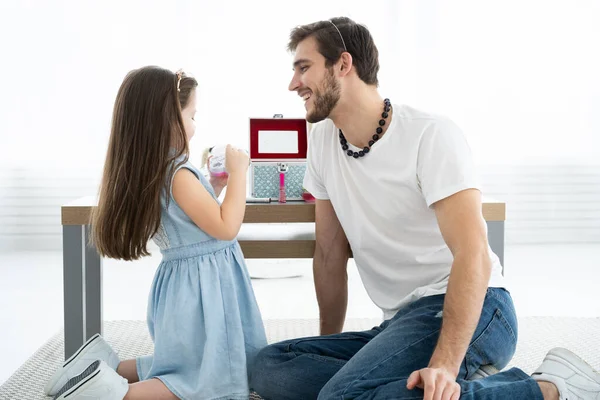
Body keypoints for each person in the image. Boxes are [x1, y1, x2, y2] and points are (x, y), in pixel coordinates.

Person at [249, 17, 600, 400]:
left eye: (304, 68)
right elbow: (330, 253)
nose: (293, 84)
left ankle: (548, 388)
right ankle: (433, 383)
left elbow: (475, 255)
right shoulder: (322, 143)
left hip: (475, 308)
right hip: (401, 323)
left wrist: (445, 367)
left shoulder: (429, 135)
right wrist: (334, 349)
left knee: (342, 396)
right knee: (272, 368)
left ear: (343, 65)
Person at [45, 66, 267, 400]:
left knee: (186, 362)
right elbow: (225, 227)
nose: (195, 125)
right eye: (192, 115)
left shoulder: (158, 169)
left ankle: (101, 366)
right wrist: (238, 174)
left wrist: (215, 188)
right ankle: (105, 393)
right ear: (168, 119)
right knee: (198, 377)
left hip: (186, 287)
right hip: (201, 290)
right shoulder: (178, 174)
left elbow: (194, 224)